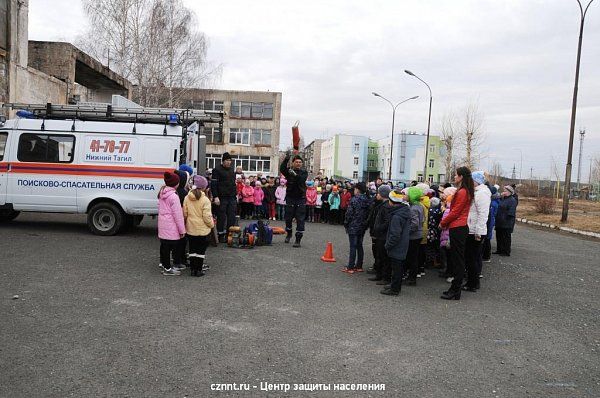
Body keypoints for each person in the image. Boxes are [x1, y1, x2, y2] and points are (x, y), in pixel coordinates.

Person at [439, 166, 474, 300]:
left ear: (461, 177)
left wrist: (443, 223)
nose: (454, 177)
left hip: (458, 227)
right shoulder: (465, 191)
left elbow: (455, 212)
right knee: (458, 259)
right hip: (459, 226)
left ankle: (455, 289)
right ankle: (455, 289)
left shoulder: (462, 192)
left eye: (456, 175)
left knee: (458, 260)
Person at [463, 171, 491, 292]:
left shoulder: (482, 194)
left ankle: (473, 283)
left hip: (476, 231)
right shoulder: (477, 192)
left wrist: (478, 232)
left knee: (472, 258)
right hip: (471, 229)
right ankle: (472, 281)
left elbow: (483, 215)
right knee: (470, 258)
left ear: (476, 181)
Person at [380, 189, 411, 296]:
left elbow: (395, 234)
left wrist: (388, 245)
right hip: (402, 244)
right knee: (398, 267)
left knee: (396, 268)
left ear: (391, 201)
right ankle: (394, 284)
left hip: (397, 246)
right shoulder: (404, 211)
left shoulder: (397, 216)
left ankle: (395, 289)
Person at [183, 176, 214, 277]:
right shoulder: (205, 200)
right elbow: (207, 216)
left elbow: (185, 213)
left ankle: (192, 269)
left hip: (191, 228)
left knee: (192, 249)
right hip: (203, 229)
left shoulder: (187, 198)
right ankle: (198, 270)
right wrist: (211, 225)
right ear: (204, 187)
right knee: (201, 251)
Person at [158, 171, 186, 276]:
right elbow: (178, 215)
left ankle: (164, 265)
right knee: (173, 247)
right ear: (176, 184)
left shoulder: (162, 193)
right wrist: (182, 230)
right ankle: (168, 268)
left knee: (164, 247)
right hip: (171, 226)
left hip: (163, 225)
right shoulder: (174, 196)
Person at [280, 152, 308, 247]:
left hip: (301, 199)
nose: (298, 163)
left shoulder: (304, 172)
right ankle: (289, 233)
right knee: (288, 218)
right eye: (296, 162)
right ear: (293, 163)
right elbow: (282, 169)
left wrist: (295, 174)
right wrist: (287, 158)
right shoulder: (289, 171)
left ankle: (298, 239)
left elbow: (301, 180)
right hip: (290, 198)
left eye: (300, 162)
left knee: (300, 219)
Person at [342, 182, 371, 273]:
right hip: (362, 226)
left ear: (357, 190)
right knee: (359, 245)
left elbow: (349, 213)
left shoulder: (354, 200)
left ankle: (350, 266)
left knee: (353, 246)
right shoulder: (367, 199)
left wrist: (346, 223)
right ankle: (359, 266)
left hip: (353, 225)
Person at [367, 185, 392, 283]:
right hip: (380, 234)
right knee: (379, 255)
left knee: (383, 256)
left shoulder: (386, 206)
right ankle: (379, 274)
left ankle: (385, 277)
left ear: (382, 194)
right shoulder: (381, 205)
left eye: (378, 193)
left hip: (383, 235)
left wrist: (378, 228)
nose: (376, 195)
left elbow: (386, 221)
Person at [211, 152, 237, 243]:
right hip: (221, 197)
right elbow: (213, 184)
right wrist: (215, 197)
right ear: (223, 161)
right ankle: (220, 234)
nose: (229, 162)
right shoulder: (216, 170)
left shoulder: (232, 170)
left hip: (232, 197)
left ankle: (229, 235)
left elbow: (233, 183)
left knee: (231, 217)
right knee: (221, 217)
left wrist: (235, 194)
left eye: (230, 160)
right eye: (227, 160)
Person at [405, 187, 424, 285]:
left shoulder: (413, 208)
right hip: (419, 235)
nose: (405, 195)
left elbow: (414, 224)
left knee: (412, 257)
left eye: (407, 194)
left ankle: (411, 278)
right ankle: (412, 277)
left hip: (413, 236)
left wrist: (406, 232)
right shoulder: (419, 206)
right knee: (414, 257)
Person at [495, 185, 518, 256]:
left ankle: (506, 251)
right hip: (499, 221)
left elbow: (511, 212)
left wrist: (505, 219)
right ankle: (499, 250)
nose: (503, 192)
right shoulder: (503, 199)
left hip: (507, 222)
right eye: (503, 190)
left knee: (506, 237)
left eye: (505, 191)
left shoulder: (512, 200)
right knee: (499, 236)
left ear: (509, 192)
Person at [482, 186, 500, 262]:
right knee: (487, 239)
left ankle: (486, 256)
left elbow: (491, 215)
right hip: (490, 221)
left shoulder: (492, 203)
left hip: (490, 222)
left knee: (487, 239)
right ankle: (486, 255)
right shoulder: (494, 201)